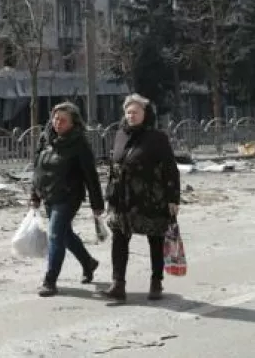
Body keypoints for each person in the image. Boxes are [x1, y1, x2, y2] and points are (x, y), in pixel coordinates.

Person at [100, 94, 181, 302]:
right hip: (122, 199)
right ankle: (118, 283)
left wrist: (173, 198)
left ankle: (156, 282)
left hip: (151, 198)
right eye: (128, 112)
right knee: (119, 238)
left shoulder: (157, 138)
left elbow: (170, 169)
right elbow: (114, 166)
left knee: (155, 238)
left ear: (146, 114)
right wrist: (109, 194)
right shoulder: (120, 135)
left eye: (136, 112)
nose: (131, 115)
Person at [30, 102, 105, 297]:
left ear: (73, 123)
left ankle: (50, 280)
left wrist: (97, 205)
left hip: (68, 196)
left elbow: (91, 176)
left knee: (55, 235)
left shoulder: (79, 144)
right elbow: (38, 168)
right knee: (65, 235)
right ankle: (88, 262)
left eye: (63, 120)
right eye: (55, 118)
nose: (58, 123)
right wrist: (34, 194)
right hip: (48, 194)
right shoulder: (46, 139)